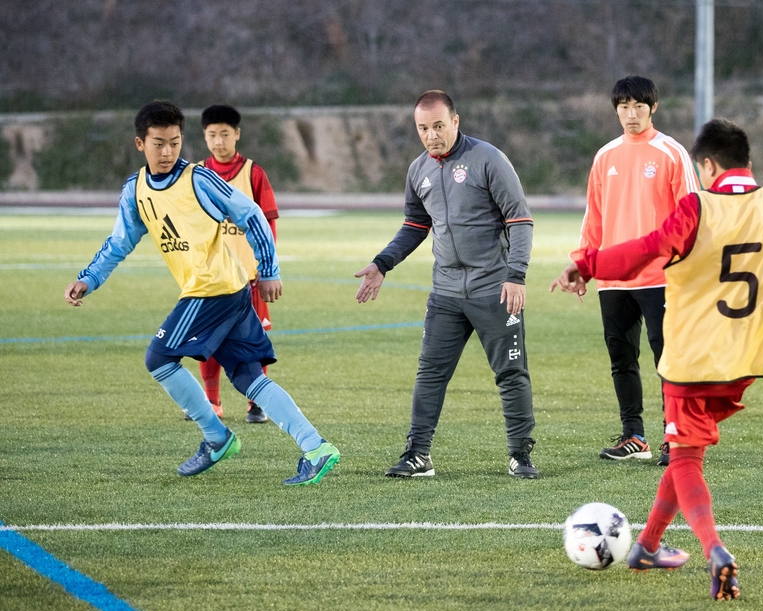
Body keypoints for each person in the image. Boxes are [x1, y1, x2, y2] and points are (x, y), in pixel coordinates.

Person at [551, 118, 763, 599]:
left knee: (683, 458)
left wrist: (588, 264)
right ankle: (646, 547)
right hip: (744, 362)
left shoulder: (696, 207)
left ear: (707, 166)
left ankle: (715, 551)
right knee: (689, 449)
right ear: (748, 162)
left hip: (691, 359)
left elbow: (648, 249)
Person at [64, 101, 340, 485]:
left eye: (175, 142)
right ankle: (315, 447)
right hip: (227, 291)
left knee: (158, 358)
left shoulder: (199, 179)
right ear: (140, 144)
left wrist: (269, 271)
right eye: (158, 144)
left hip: (213, 290)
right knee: (247, 375)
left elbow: (252, 215)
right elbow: (118, 243)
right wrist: (89, 278)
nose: (167, 152)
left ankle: (216, 437)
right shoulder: (136, 190)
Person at [355, 90, 538, 479]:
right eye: (423, 128)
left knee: (511, 373)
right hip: (446, 293)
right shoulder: (418, 170)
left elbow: (520, 219)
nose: (431, 135)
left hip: (494, 290)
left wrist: (516, 275)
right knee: (430, 372)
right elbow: (414, 225)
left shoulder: (488, 159)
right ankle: (418, 454)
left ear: (455, 121)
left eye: (438, 126)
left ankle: (520, 455)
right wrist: (382, 263)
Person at [552, 76, 698, 467]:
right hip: (613, 278)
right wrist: (583, 265)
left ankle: (676, 437)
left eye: (638, 107)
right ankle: (634, 435)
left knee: (668, 359)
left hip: (661, 276)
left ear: (653, 108)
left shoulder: (671, 152)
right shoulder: (605, 157)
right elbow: (594, 218)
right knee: (621, 358)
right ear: (616, 110)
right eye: (623, 107)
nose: (631, 115)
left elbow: (692, 216)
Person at [195, 104, 280, 424]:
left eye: (225, 134)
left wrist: (266, 267)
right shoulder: (195, 175)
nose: (218, 142)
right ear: (204, 136)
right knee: (207, 340)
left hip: (249, 278)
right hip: (209, 278)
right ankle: (211, 402)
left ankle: (256, 403)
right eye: (212, 135)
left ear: (237, 134)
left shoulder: (253, 173)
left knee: (254, 340)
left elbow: (268, 223)